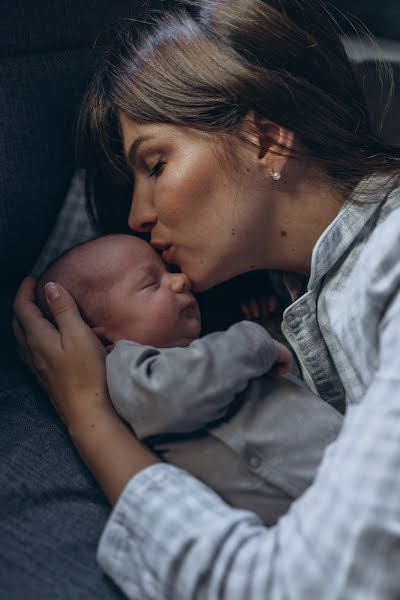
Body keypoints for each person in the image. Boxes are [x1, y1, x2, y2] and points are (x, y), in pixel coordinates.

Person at [12, 0, 400, 598]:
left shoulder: (389, 268)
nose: (139, 215)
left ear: (266, 138)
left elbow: (304, 588)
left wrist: (90, 421)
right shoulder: (301, 304)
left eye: (156, 163)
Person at [35, 232, 342, 525]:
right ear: (100, 339)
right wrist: (253, 339)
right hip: (314, 501)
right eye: (151, 284)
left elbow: (284, 372)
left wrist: (271, 328)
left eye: (168, 271)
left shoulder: (199, 354)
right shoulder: (126, 367)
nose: (180, 280)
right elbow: (171, 398)